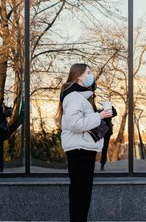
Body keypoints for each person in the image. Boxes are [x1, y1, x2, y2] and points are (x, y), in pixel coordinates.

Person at [58, 63, 113, 222]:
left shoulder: (79, 96)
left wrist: (102, 116)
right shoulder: (74, 96)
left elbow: (82, 122)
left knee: (80, 195)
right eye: (88, 72)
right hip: (79, 150)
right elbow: (76, 124)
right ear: (78, 76)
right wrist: (100, 116)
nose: (91, 76)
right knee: (80, 195)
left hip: (82, 150)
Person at [90, 82, 118, 171]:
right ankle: (91, 164)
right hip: (96, 128)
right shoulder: (93, 105)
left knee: (105, 147)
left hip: (106, 130)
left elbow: (115, 113)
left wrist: (110, 110)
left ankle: (102, 165)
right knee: (93, 146)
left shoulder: (108, 106)